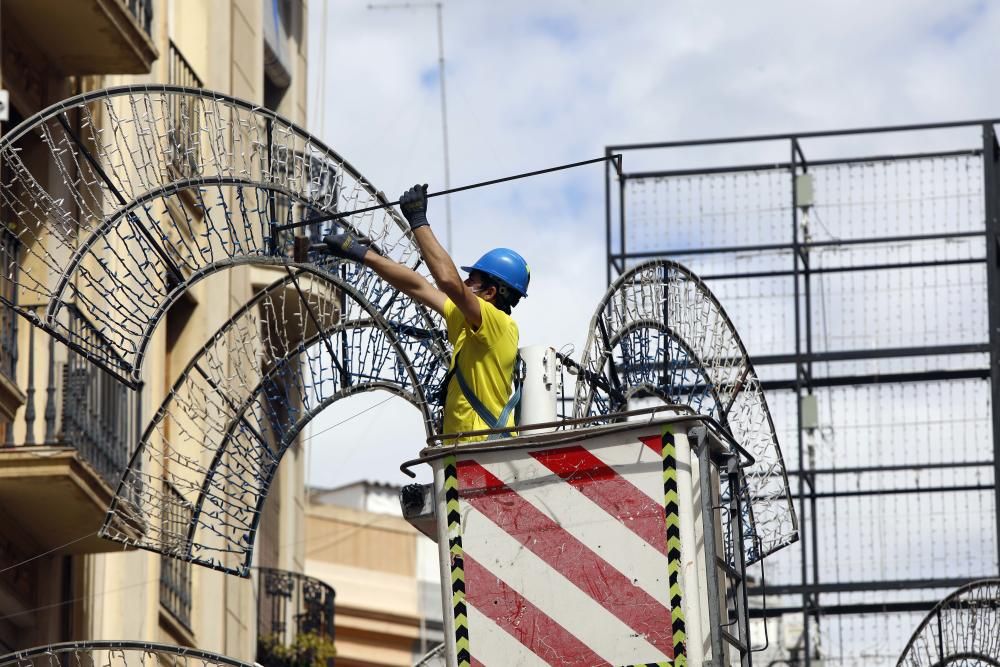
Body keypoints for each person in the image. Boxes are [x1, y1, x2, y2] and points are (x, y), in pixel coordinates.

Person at [321, 184, 529, 441]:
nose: (464, 284)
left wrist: (419, 222)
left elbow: (448, 282)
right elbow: (418, 286)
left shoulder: (499, 324)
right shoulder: (471, 325)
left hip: (483, 450)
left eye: (471, 280)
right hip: (459, 452)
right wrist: (362, 253)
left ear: (491, 293)